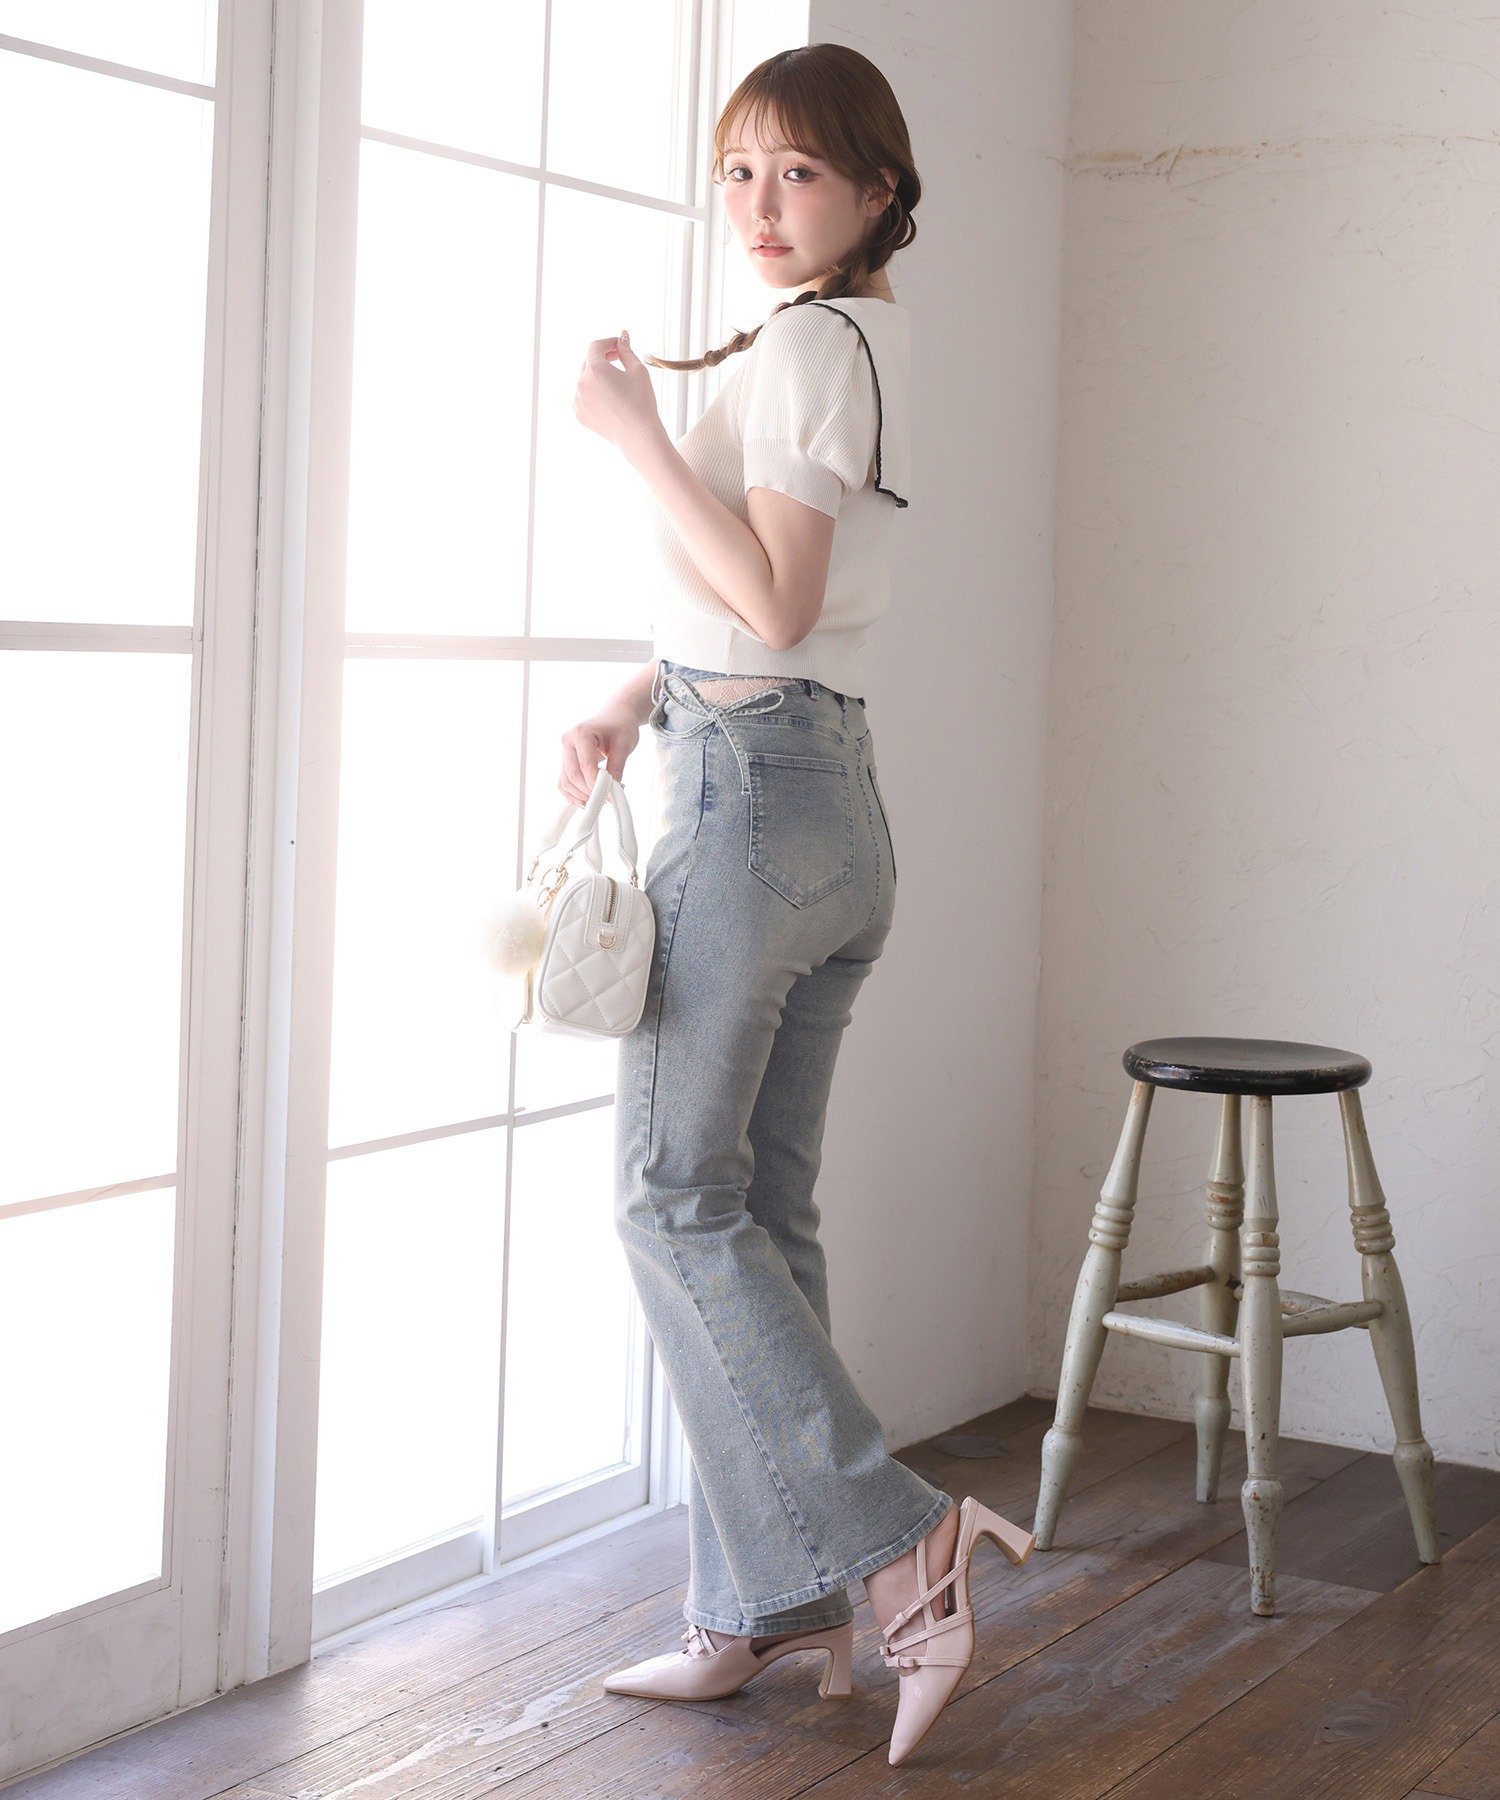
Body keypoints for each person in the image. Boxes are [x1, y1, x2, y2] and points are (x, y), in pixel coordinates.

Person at [563, 44, 1033, 1768]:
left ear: (878, 191)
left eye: (802, 174)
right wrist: (636, 696)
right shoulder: (846, 337)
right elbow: (782, 614)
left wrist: (632, 439)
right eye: (740, 172)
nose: (761, 205)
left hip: (757, 807)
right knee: (759, 1206)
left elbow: (771, 598)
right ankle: (766, 1602)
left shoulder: (819, 342)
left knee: (669, 1201)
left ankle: (901, 1542)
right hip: (826, 799)